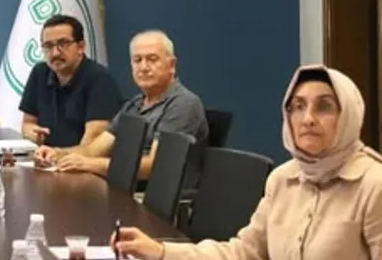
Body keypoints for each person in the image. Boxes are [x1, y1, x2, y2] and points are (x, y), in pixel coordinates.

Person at [112, 64, 382, 260]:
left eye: (324, 107)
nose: (308, 119)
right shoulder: (283, 179)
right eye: (298, 107)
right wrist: (160, 251)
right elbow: (244, 252)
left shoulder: (373, 185)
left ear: (349, 115)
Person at [35, 30, 208, 181]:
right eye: (137, 60)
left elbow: (156, 166)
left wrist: (89, 164)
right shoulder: (134, 105)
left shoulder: (183, 104)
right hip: (124, 189)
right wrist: (58, 153)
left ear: (172, 65)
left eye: (152, 59)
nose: (144, 67)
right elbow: (95, 150)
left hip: (157, 200)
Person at [18, 14, 124, 147]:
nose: (55, 53)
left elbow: (92, 143)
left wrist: (56, 155)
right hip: (46, 157)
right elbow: (28, 123)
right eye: (48, 46)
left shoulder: (101, 79)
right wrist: (32, 133)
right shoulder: (39, 73)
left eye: (63, 44)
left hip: (80, 159)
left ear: (81, 47)